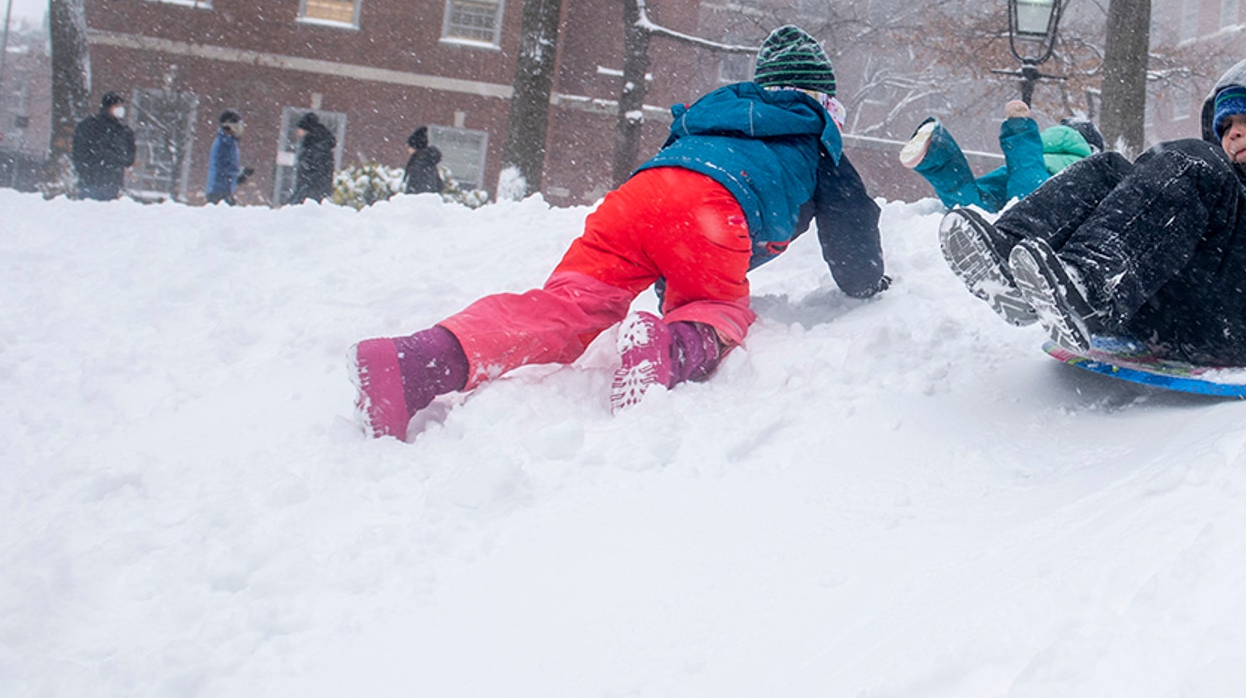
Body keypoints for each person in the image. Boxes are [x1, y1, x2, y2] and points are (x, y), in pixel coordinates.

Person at [351, 26, 889, 441]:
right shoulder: (815, 138)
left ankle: (417, 361)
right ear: (823, 100)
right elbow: (853, 228)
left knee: (566, 304)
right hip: (711, 207)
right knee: (717, 308)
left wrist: (669, 267)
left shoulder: (715, 115)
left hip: (636, 197)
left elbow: (672, 204)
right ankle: (670, 349)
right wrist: (867, 283)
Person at [939, 50, 1246, 386]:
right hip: (1164, 309)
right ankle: (1008, 260)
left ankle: (1086, 285)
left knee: (1190, 162)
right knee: (1110, 168)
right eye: (1224, 126)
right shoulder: (1222, 179)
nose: (1232, 133)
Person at [899, 99, 1103, 211]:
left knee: (973, 200)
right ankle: (1019, 129)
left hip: (1016, 168)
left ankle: (937, 150)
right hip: (1046, 188)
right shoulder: (1086, 161)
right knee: (1029, 197)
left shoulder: (1038, 148)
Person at [70, 92, 137, 201]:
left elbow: (129, 156)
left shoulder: (122, 130)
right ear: (108, 107)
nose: (120, 109)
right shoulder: (92, 127)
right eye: (116, 106)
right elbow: (79, 151)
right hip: (93, 179)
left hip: (108, 181)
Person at [204, 110, 253, 205]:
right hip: (218, 192)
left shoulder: (228, 142)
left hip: (223, 190)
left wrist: (238, 177)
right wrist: (238, 174)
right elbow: (223, 168)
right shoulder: (225, 143)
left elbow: (227, 167)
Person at [289, 111, 336, 204]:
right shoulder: (315, 144)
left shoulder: (315, 147)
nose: (297, 132)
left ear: (306, 129)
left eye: (299, 129)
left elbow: (316, 171)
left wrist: (303, 190)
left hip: (311, 191)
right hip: (312, 189)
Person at [402, 126, 443, 194]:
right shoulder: (428, 161)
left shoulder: (420, 164)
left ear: (415, 147)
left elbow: (415, 185)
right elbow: (438, 184)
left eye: (409, 146)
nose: (408, 149)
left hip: (419, 201)